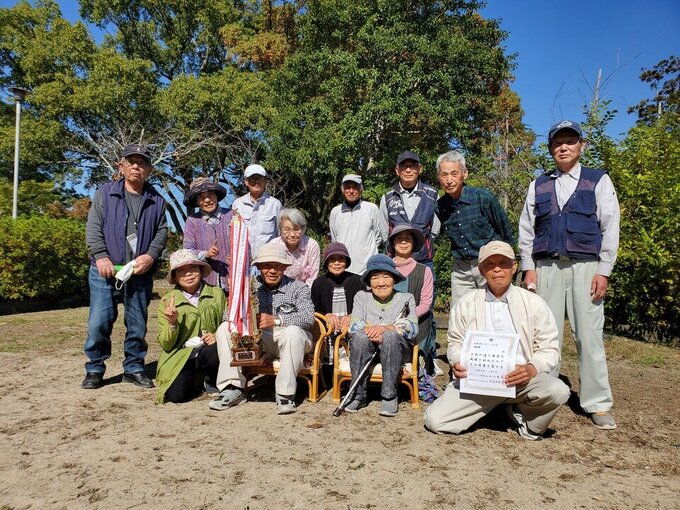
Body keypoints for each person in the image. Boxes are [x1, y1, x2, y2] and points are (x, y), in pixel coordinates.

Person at [518, 120, 620, 430]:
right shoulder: (539, 184)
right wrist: (528, 268)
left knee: (588, 336)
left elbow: (610, 227)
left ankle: (598, 403)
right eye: (557, 143)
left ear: (581, 146)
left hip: (586, 268)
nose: (563, 147)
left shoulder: (598, 180)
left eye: (570, 141)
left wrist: (604, 270)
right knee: (545, 337)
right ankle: (543, 396)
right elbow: (526, 229)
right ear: (550, 149)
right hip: (546, 267)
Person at [424, 241, 570, 440]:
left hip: (521, 380)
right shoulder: (467, 302)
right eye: (490, 264)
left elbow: (550, 348)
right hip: (477, 381)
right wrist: (457, 360)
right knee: (435, 421)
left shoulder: (534, 303)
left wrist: (531, 368)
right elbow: (455, 341)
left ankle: (524, 418)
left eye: (504, 263)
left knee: (558, 390)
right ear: (482, 270)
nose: (497, 269)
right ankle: (494, 408)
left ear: (514, 266)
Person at [82, 144, 167, 390]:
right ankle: (95, 369)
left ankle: (134, 368)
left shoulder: (157, 200)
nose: (136, 167)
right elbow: (94, 227)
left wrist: (150, 256)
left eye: (142, 163)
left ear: (149, 169)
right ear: (121, 166)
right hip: (105, 271)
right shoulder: (105, 193)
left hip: (139, 272)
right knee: (98, 322)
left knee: (138, 324)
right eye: (131, 161)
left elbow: (162, 233)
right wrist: (100, 256)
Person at [210, 242, 316, 415]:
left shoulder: (298, 287)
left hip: (290, 339)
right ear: (258, 267)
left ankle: (285, 394)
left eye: (277, 266)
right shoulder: (246, 288)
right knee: (224, 328)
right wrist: (244, 315)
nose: (272, 271)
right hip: (259, 340)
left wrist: (277, 319)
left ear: (284, 267)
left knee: (293, 332)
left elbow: (308, 318)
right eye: (267, 266)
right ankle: (232, 388)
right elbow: (227, 317)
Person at [343, 254, 418, 417]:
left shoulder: (406, 298)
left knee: (390, 337)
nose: (381, 282)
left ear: (394, 279)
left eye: (386, 276)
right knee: (360, 337)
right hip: (366, 346)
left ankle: (389, 396)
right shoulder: (361, 297)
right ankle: (358, 395)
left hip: (397, 350)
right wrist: (374, 330)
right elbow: (354, 324)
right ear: (369, 281)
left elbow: (412, 328)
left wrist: (386, 328)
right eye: (375, 277)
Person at [436, 150, 513, 304]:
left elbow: (505, 232)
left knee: (496, 308)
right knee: (461, 311)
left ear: (465, 174)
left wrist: (506, 262)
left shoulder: (483, 198)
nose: (449, 180)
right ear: (439, 178)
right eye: (444, 175)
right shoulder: (440, 206)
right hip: (461, 268)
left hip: (490, 263)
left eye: (454, 173)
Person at [155, 249, 226, 404]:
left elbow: (227, 323)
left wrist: (217, 335)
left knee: (214, 352)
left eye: (192, 268)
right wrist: (172, 323)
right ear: (174, 277)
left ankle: (211, 378)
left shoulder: (217, 293)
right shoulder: (167, 301)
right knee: (176, 397)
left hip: (209, 352)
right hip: (182, 355)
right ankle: (195, 378)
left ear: (200, 270)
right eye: (181, 271)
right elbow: (166, 344)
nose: (188, 274)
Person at [388, 224, 436, 374]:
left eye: (407, 239)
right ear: (392, 243)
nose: (403, 242)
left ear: (413, 243)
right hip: (385, 321)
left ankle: (420, 368)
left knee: (425, 322)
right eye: (399, 239)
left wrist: (405, 320)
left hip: (416, 322)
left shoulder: (424, 270)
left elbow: (426, 303)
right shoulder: (383, 268)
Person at [379, 151, 440, 270]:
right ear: (397, 170)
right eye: (404, 166)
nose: (408, 170)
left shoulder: (433, 195)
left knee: (426, 288)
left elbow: (435, 229)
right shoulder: (387, 197)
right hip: (395, 260)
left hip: (424, 259)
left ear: (420, 169)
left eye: (412, 166)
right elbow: (384, 231)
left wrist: (422, 244)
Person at [182, 177, 232, 293]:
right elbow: (188, 250)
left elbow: (244, 244)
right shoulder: (192, 220)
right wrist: (206, 254)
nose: (207, 200)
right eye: (201, 197)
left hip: (232, 278)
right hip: (206, 282)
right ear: (196, 201)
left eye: (210, 195)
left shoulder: (232, 215)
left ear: (216, 195)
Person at [329, 174, 383, 275]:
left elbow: (378, 237)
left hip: (367, 269)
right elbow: (335, 240)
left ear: (361, 189)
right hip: (344, 269)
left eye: (355, 187)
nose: (351, 191)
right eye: (347, 187)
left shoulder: (371, 208)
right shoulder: (335, 212)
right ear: (342, 190)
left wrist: (366, 251)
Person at [311, 242, 365, 334]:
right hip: (326, 332)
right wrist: (326, 315)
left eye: (341, 259)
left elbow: (365, 306)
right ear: (326, 262)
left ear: (346, 262)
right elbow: (314, 309)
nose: (337, 263)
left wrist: (352, 316)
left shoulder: (358, 281)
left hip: (354, 331)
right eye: (332, 259)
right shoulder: (319, 283)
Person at [231, 164, 283, 259]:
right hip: (242, 260)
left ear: (265, 181)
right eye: (252, 179)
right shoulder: (237, 204)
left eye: (260, 179)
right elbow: (233, 233)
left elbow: (280, 235)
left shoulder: (275, 204)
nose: (256, 182)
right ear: (246, 182)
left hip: (267, 261)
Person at [270, 208, 320, 287]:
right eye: (287, 230)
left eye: (296, 229)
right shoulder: (274, 245)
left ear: (303, 229)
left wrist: (302, 295)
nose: (292, 234)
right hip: (278, 289)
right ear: (280, 229)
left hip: (304, 291)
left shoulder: (311, 245)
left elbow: (312, 277)